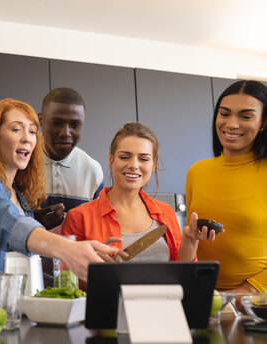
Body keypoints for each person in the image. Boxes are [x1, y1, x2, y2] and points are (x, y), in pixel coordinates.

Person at [0, 98, 124, 306]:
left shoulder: (20, 198)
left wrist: (84, 250)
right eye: (16, 129)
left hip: (3, 315)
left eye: (33, 131)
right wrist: (69, 250)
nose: (27, 138)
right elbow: (6, 222)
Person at [62, 122, 214, 288]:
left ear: (153, 164)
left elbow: (180, 277)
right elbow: (66, 285)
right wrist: (93, 268)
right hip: (106, 311)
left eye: (143, 159)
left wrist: (190, 242)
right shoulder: (78, 217)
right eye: (124, 157)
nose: (134, 165)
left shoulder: (166, 212)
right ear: (110, 158)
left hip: (164, 309)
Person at [186, 80, 267, 293]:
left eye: (246, 116)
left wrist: (242, 294)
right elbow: (191, 244)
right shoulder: (197, 171)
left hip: (258, 303)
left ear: (264, 122)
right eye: (225, 113)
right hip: (205, 297)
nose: (231, 124)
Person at [36, 88, 105, 286]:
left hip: (74, 278)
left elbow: (96, 229)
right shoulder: (22, 160)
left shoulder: (92, 170)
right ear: (41, 120)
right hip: (27, 271)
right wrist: (32, 218)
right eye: (57, 123)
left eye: (75, 125)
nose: (65, 133)